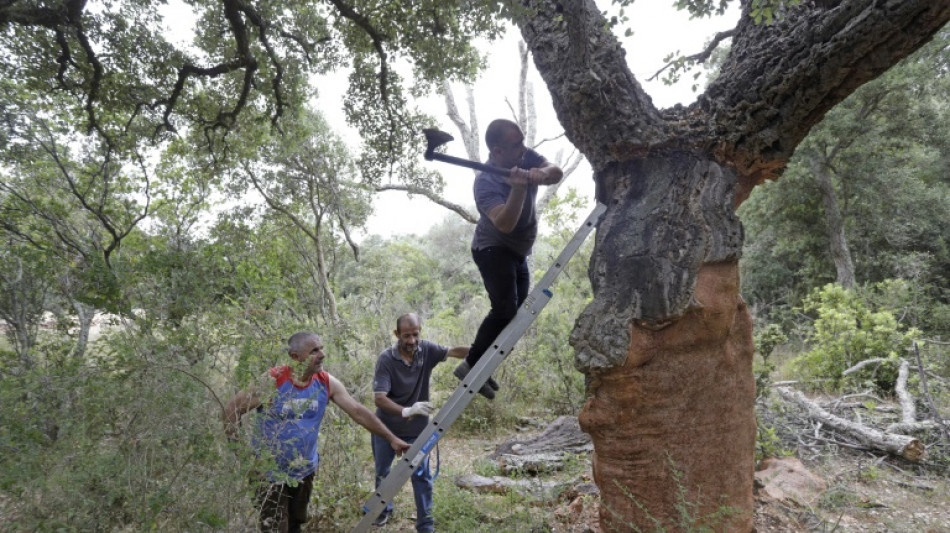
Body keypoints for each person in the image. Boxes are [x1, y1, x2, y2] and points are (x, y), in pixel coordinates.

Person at [223, 331, 410, 533]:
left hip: (304, 471)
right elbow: (230, 412)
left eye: (321, 348)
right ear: (295, 357)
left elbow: (358, 412)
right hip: (269, 474)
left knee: (296, 524)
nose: (322, 354)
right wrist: (245, 457)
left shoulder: (325, 382)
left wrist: (391, 438)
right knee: (276, 528)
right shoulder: (273, 381)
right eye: (314, 351)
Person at [454, 118, 564, 399]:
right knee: (504, 310)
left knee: (515, 318)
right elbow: (504, 223)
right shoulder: (485, 182)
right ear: (498, 151)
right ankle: (471, 367)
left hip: (518, 252)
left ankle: (480, 368)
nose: (524, 149)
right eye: (517, 145)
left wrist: (542, 173)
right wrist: (518, 187)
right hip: (492, 248)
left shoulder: (526, 157)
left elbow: (556, 171)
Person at [371, 313, 468, 531]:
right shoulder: (386, 359)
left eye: (415, 334)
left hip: (418, 430)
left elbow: (453, 351)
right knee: (383, 473)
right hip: (386, 428)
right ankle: (382, 511)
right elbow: (379, 398)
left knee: (422, 477)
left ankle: (425, 524)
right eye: (406, 336)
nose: (412, 340)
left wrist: (481, 350)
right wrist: (406, 410)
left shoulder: (427, 350)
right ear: (397, 334)